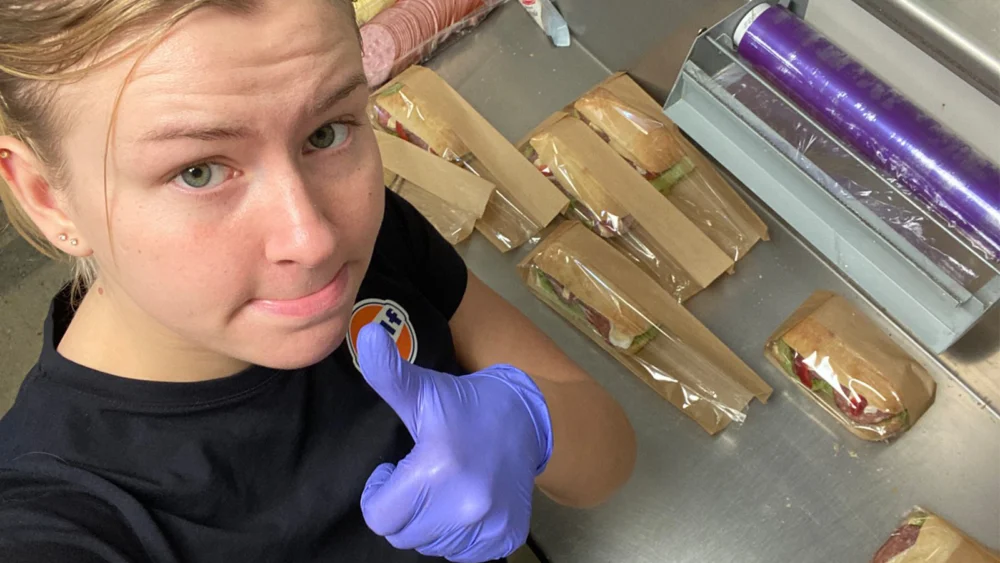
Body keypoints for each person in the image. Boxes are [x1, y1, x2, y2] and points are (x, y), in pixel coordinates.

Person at [0, 1, 637, 562]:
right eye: (198, 172)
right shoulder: (60, 514)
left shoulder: (377, 237)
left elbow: (607, 459)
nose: (314, 239)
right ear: (48, 198)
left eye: (326, 132)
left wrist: (531, 422)